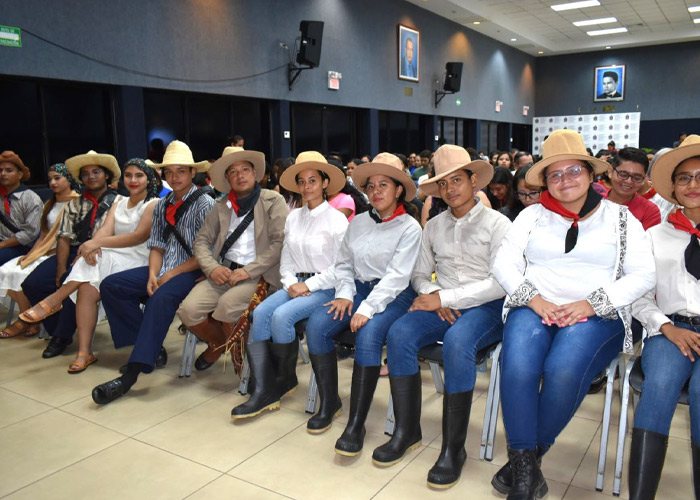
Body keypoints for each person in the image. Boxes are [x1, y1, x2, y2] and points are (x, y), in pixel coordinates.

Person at [491, 130, 655, 499]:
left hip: (598, 313)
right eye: (555, 174)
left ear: (591, 174)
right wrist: (532, 299)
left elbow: (645, 275)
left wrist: (592, 303)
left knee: (562, 369)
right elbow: (503, 263)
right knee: (517, 364)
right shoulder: (531, 216)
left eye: (573, 171)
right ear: (545, 181)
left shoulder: (622, 219)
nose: (565, 180)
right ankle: (525, 471)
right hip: (534, 306)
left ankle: (524, 461)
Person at [372, 145, 510, 486]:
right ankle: (407, 431)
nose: (450, 189)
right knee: (400, 334)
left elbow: (500, 283)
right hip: (441, 302)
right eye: (444, 184)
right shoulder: (433, 227)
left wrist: (445, 296)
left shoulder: (499, 224)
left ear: (474, 180)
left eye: (457, 181)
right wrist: (432, 295)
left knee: (458, 343)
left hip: (487, 306)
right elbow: (418, 275)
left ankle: (453, 448)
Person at [304, 153, 421, 452]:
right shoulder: (357, 223)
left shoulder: (410, 228)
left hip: (395, 293)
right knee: (317, 325)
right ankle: (330, 402)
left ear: (398, 190)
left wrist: (366, 308)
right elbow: (343, 264)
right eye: (371, 186)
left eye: (384, 184)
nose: (376, 191)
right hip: (356, 288)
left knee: (368, 334)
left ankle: (356, 424)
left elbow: (397, 277)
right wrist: (345, 294)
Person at [90, 140, 214, 405]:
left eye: (181, 171)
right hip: (165, 267)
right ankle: (150, 346)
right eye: (169, 172)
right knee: (112, 285)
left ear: (193, 173)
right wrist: (152, 275)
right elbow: (156, 246)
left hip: (193, 269)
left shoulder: (205, 204)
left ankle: (133, 372)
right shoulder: (161, 204)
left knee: (159, 299)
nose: (175, 177)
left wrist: (170, 275)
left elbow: (206, 253)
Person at [230, 151, 347, 419]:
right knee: (260, 313)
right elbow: (286, 258)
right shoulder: (293, 217)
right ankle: (263, 387)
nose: (306, 187)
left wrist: (309, 285)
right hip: (295, 283)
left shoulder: (337, 220)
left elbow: (342, 267)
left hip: (325, 286)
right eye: (302, 182)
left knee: (282, 316)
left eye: (313, 181)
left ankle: (284, 379)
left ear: (325, 183)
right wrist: (292, 283)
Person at [19, 159, 159, 373]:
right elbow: (104, 230)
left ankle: (55, 299)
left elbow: (137, 237)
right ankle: (85, 353)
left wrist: (93, 244)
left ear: (148, 179)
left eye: (139, 175)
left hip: (139, 257)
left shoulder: (153, 203)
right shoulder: (119, 202)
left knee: (95, 256)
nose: (132, 180)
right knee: (86, 288)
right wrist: (92, 245)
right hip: (113, 254)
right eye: (128, 175)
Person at [176, 146, 288, 390]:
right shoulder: (221, 206)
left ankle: (251, 369)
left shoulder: (273, 201)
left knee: (228, 307)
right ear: (227, 179)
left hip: (260, 275)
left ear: (256, 173)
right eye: (233, 172)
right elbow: (201, 242)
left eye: (245, 169)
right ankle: (219, 345)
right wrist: (212, 268)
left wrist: (249, 271)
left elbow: (280, 243)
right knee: (188, 311)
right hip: (223, 273)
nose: (240, 176)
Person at [629, 134, 700, 500]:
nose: (693, 185)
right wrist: (667, 327)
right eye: (685, 177)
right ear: (673, 186)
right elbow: (638, 296)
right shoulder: (653, 235)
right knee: (658, 387)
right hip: (669, 329)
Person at [20, 151, 119, 358]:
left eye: (96, 172)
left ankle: (61, 337)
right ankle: (59, 326)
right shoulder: (74, 203)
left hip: (103, 252)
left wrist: (73, 267)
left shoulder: (119, 201)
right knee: (33, 283)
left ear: (107, 175)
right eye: (85, 174)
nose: (91, 177)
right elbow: (63, 238)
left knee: (70, 281)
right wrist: (60, 267)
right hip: (74, 249)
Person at [0, 164, 79, 338]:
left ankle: (27, 321)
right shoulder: (50, 203)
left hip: (61, 252)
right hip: (44, 249)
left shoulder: (77, 202)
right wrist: (31, 254)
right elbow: (43, 234)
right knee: (8, 270)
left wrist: (46, 253)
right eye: (50, 179)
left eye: (57, 178)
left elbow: (71, 237)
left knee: (26, 277)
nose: (52, 182)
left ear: (69, 179)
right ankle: (28, 316)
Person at [0, 151, 43, 266]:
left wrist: (2, 245)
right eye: (0, 170)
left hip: (21, 246)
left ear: (20, 175)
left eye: (9, 170)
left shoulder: (31, 199)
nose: (3, 174)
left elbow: (29, 233)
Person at [604, 148, 661, 230]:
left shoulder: (650, 211)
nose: (628, 181)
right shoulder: (595, 203)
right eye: (623, 174)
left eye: (637, 177)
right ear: (610, 172)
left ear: (643, 180)